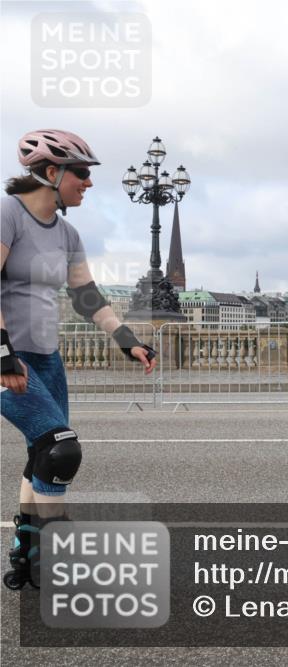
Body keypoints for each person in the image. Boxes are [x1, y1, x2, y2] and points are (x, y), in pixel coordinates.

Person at [1, 129, 157, 590]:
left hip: (46, 358)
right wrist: (3, 354)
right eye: (82, 173)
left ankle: (27, 554)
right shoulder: (8, 214)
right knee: (61, 448)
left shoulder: (67, 233)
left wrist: (126, 338)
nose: (88, 183)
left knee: (42, 455)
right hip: (10, 356)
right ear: (51, 172)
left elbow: (85, 295)